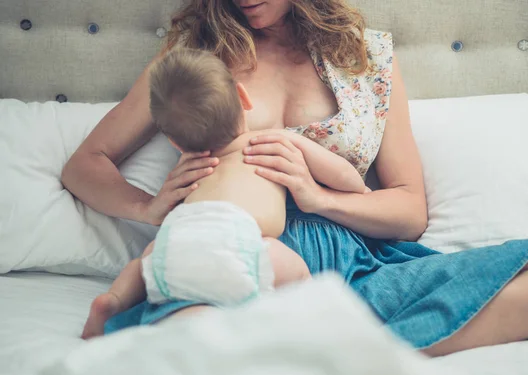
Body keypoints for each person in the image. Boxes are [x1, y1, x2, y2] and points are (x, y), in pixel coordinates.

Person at [62, 0, 528, 356]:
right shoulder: (192, 60)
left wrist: (316, 196)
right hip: (231, 257)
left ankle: (342, 349)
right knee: (194, 325)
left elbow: (410, 212)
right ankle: (322, 351)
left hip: (355, 265)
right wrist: (148, 208)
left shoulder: (369, 58)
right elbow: (85, 165)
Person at [81, 48, 369, 339]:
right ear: (243, 98)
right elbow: (344, 175)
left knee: (143, 263)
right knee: (299, 273)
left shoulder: (188, 164)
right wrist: (358, 187)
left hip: (177, 240)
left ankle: (114, 301)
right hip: (243, 244)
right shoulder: (274, 141)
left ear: (175, 142)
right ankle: (315, 324)